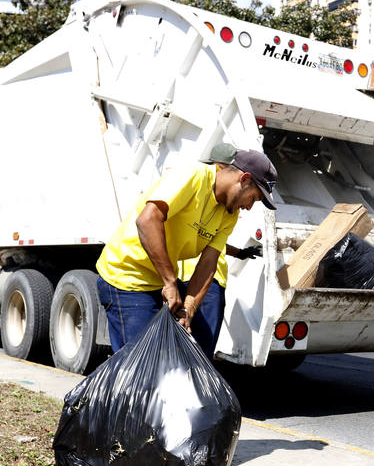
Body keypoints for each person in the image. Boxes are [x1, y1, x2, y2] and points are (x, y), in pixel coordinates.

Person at [96, 145, 277, 354]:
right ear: (244, 179)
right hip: (127, 276)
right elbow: (147, 220)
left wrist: (189, 308)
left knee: (159, 364)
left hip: (156, 284)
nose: (249, 206)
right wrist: (170, 282)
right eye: (253, 198)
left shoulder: (229, 214)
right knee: (138, 366)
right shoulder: (193, 176)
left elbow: (208, 262)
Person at [177, 143, 265, 359]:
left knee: (189, 344)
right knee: (200, 348)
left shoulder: (221, 208)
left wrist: (240, 253)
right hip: (206, 284)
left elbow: (212, 244)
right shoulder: (199, 187)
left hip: (196, 281)